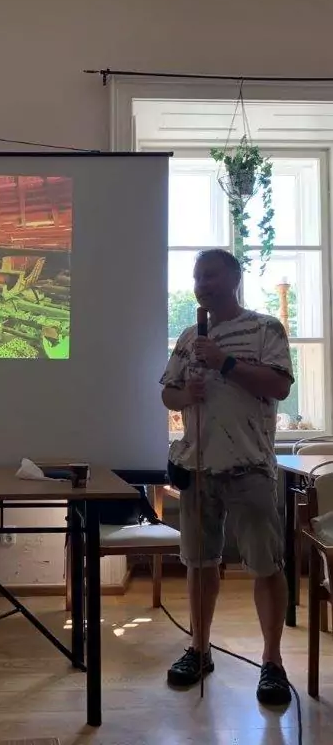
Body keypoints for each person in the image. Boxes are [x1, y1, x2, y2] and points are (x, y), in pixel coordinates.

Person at [160, 248, 293, 706]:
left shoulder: (265, 329)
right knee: (199, 564)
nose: (202, 285)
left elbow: (279, 386)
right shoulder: (188, 336)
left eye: (211, 276)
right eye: (198, 278)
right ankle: (199, 650)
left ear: (234, 279)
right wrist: (186, 393)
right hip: (198, 467)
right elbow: (168, 394)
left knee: (265, 565)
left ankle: (272, 662)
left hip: (249, 467)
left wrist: (224, 363)